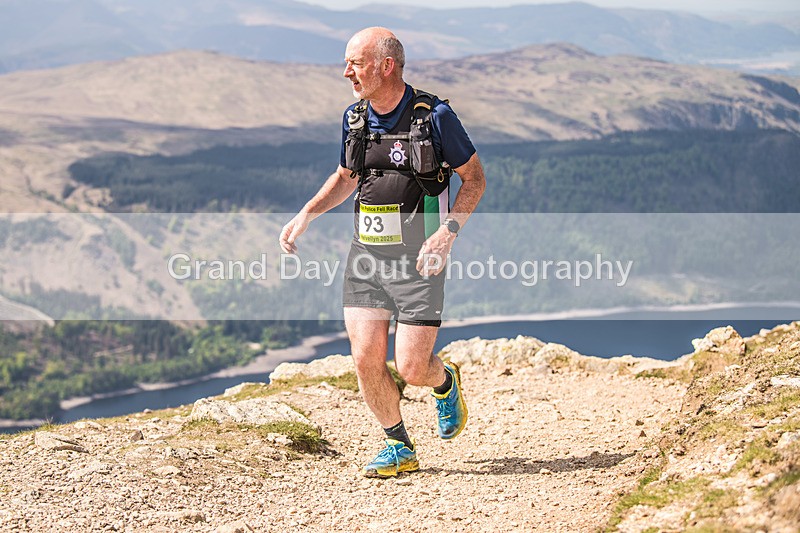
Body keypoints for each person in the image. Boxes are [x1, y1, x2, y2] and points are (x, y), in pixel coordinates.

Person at [279, 27, 485, 478]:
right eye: (347, 63)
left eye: (355, 62)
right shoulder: (354, 119)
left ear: (386, 65)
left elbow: (475, 179)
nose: (346, 72)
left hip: (419, 262)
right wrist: (307, 213)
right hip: (367, 258)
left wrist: (448, 231)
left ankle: (444, 382)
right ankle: (398, 445)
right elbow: (346, 177)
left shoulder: (434, 118)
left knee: (412, 367)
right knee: (365, 355)